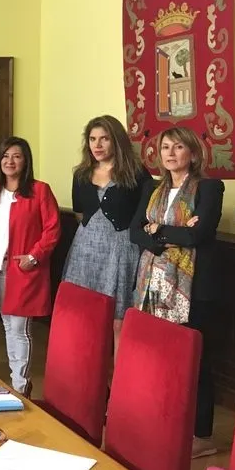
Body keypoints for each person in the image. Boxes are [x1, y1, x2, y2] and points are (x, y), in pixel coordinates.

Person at [130, 126, 224, 459]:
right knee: (160, 354)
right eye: (165, 147)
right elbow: (134, 233)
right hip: (152, 284)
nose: (170, 153)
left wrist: (155, 229)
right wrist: (168, 234)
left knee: (195, 359)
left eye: (178, 147)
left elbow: (199, 236)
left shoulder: (209, 188)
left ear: (193, 153)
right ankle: (165, 418)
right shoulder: (151, 189)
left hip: (193, 288)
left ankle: (202, 434)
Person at [0, 137, 60, 396]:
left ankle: (20, 385)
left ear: (26, 160)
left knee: (20, 328)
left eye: (17, 156)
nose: (10, 161)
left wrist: (34, 256)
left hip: (23, 270)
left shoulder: (40, 191)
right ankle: (16, 378)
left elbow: (52, 229)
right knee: (9, 326)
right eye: (5, 156)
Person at [63, 115, 151, 357]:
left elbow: (143, 215)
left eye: (104, 139)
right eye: (92, 139)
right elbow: (79, 212)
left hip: (121, 249)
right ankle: (88, 380)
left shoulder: (136, 174)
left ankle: (119, 385)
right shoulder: (81, 173)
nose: (97, 145)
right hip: (85, 250)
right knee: (85, 315)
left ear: (117, 141)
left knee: (118, 318)